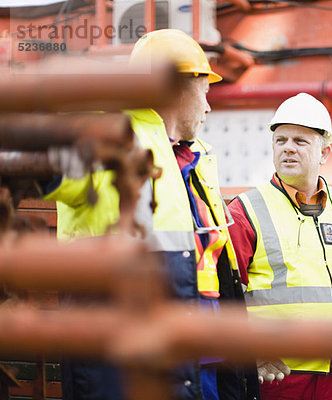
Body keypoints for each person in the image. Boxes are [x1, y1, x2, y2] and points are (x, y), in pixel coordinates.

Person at [43, 29, 258, 400]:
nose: (209, 106)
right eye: (205, 90)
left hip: (205, 363)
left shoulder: (195, 160)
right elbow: (50, 164)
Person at [227, 92, 332, 400]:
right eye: (281, 140)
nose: (288, 147)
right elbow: (223, 293)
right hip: (278, 379)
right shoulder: (246, 211)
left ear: (324, 152)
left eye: (300, 141)